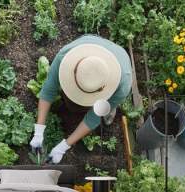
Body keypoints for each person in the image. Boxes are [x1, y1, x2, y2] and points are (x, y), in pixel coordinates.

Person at [30, 35, 132, 164]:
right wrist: (38, 131)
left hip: (119, 61)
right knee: (71, 104)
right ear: (73, 72)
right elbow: (48, 91)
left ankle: (110, 107)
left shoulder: (122, 87)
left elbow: (93, 117)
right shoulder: (66, 57)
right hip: (92, 44)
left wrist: (64, 146)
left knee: (105, 108)